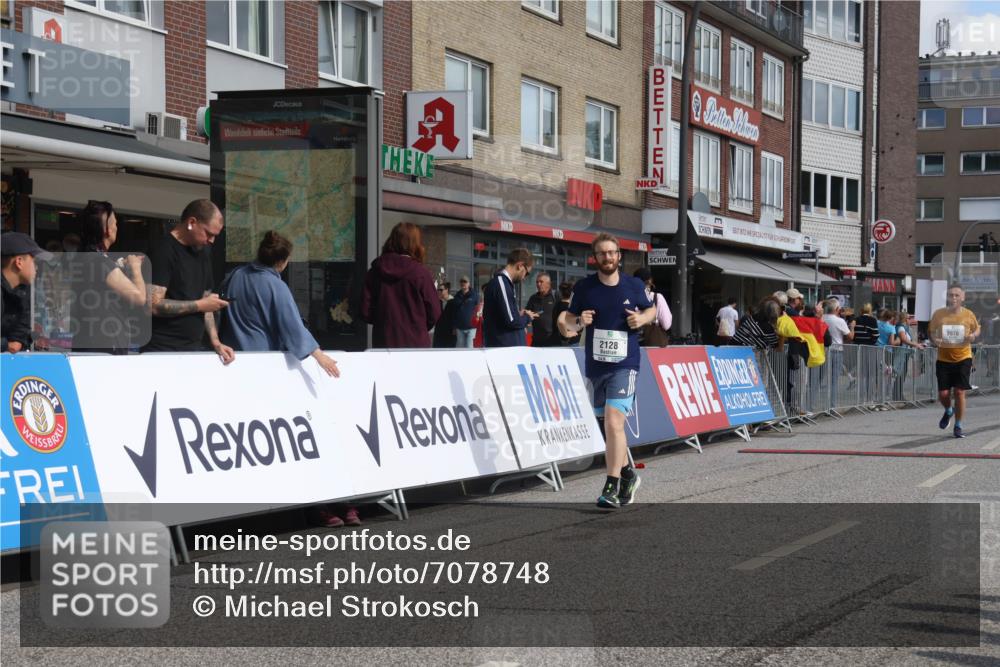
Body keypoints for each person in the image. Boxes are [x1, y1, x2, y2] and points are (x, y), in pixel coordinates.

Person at [557, 233, 656, 509]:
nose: (608, 257)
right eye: (602, 253)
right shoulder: (585, 287)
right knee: (607, 429)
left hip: (626, 364)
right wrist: (579, 319)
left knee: (614, 422)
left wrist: (641, 318)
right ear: (595, 257)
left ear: (619, 256)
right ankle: (628, 474)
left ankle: (610, 486)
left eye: (612, 252)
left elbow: (652, 310)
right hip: (596, 365)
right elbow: (566, 320)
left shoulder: (633, 285)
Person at [219, 231, 339, 377]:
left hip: (230, 358)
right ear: (281, 262)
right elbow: (292, 326)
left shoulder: (235, 275)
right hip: (262, 362)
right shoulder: (276, 286)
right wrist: (320, 356)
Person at [143, 199, 234, 363]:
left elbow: (207, 302)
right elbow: (152, 305)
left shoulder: (203, 252)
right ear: (192, 222)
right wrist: (199, 305)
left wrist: (216, 342)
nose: (211, 240)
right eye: (208, 233)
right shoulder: (163, 250)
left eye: (215, 236)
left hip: (192, 349)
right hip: (162, 350)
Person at [70, 200, 147, 354]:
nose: (117, 227)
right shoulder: (99, 262)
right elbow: (139, 297)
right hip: (106, 347)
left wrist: (119, 265)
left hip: (89, 344)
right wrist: (136, 268)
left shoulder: (85, 258)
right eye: (115, 223)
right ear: (107, 230)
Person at [361, 222, 440, 348]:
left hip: (384, 342)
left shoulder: (375, 272)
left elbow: (365, 311)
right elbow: (434, 312)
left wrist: (384, 321)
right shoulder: (421, 273)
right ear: (415, 243)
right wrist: (417, 326)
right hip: (416, 344)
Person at [929, 285, 980, 438]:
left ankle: (958, 425)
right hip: (944, 358)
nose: (954, 298)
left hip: (963, 357)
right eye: (951, 295)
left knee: (959, 392)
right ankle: (948, 410)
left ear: (963, 297)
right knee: (943, 394)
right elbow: (931, 332)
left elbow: (977, 329)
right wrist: (935, 339)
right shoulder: (939, 314)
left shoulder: (968, 314)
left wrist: (973, 336)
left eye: (957, 295)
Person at [2, 232, 49, 353]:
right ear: (19, 262)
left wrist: (17, 341)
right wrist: (6, 345)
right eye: (34, 261)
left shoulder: (23, 289)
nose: (36, 268)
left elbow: (23, 324)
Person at [482, 248, 537, 347]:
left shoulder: (505, 283)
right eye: (527, 273)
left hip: (506, 347)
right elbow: (512, 321)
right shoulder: (501, 283)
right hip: (504, 349)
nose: (524, 277)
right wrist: (527, 318)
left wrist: (518, 315)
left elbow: (505, 317)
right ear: (520, 266)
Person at [633, 267, 672, 347]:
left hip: (632, 344)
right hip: (653, 344)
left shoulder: (629, 298)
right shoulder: (657, 298)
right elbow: (667, 324)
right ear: (650, 281)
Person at [527, 272, 558, 347]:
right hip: (536, 341)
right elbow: (528, 313)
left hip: (552, 341)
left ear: (548, 283)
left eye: (541, 282)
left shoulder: (556, 296)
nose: (538, 284)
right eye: (537, 282)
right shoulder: (533, 298)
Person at [452, 276, 478, 348]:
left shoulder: (474, 295)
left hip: (472, 328)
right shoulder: (457, 296)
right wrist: (454, 326)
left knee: (470, 348)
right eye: (462, 282)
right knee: (459, 349)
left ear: (469, 284)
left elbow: (478, 310)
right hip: (459, 328)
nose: (463, 283)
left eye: (465, 282)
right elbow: (454, 312)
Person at [552, 280, 578, 346]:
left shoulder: (557, 305)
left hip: (557, 341)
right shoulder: (568, 308)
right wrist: (566, 334)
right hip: (569, 342)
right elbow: (561, 321)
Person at [432, 281, 458, 348]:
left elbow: (455, 316)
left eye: (441, 290)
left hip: (449, 330)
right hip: (439, 330)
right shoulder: (438, 301)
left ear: (447, 290)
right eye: (438, 290)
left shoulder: (453, 301)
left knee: (449, 349)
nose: (439, 291)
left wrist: (454, 327)